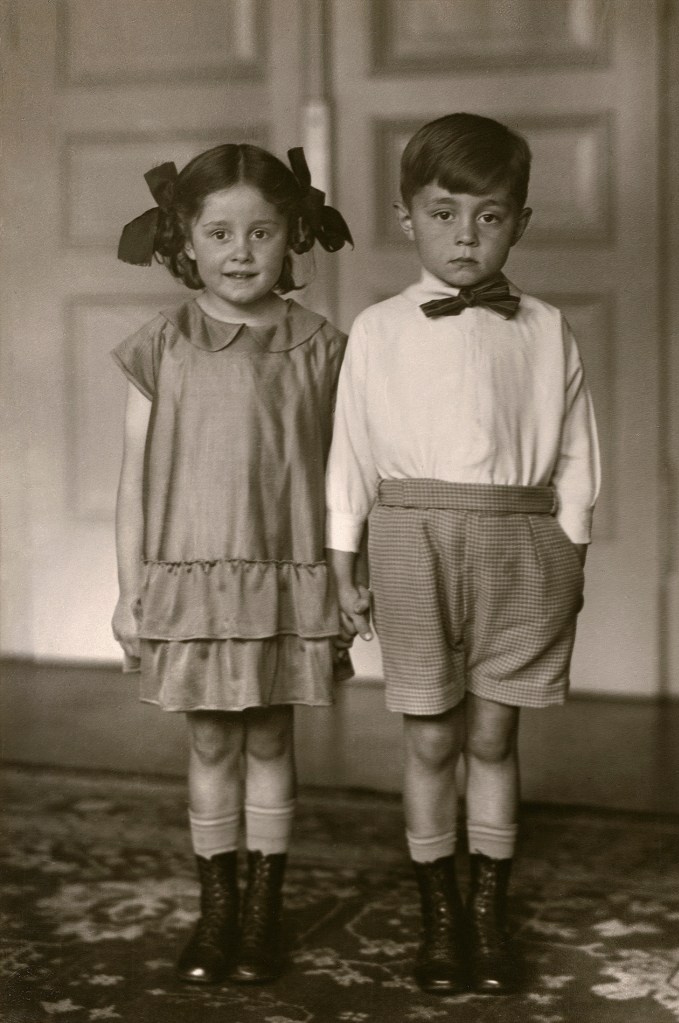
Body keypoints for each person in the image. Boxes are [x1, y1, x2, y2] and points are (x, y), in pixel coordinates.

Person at [326, 113, 600, 996]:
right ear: (407, 217)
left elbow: (577, 451)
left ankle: (488, 910)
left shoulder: (547, 325)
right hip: (410, 536)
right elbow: (351, 450)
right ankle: (438, 912)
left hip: (522, 536)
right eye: (443, 213)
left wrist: (572, 544)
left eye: (488, 216)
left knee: (493, 731)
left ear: (520, 220)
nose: (464, 235)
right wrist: (343, 554)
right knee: (431, 734)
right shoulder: (376, 329)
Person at [111, 143, 353, 986]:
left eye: (261, 231)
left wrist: (344, 572)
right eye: (219, 232)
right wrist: (127, 589)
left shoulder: (321, 346)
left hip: (285, 572)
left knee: (271, 734)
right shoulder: (163, 345)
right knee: (211, 737)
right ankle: (216, 912)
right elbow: (134, 480)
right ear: (185, 239)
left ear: (294, 236)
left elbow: (344, 474)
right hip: (190, 579)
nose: (241, 251)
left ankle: (261, 913)